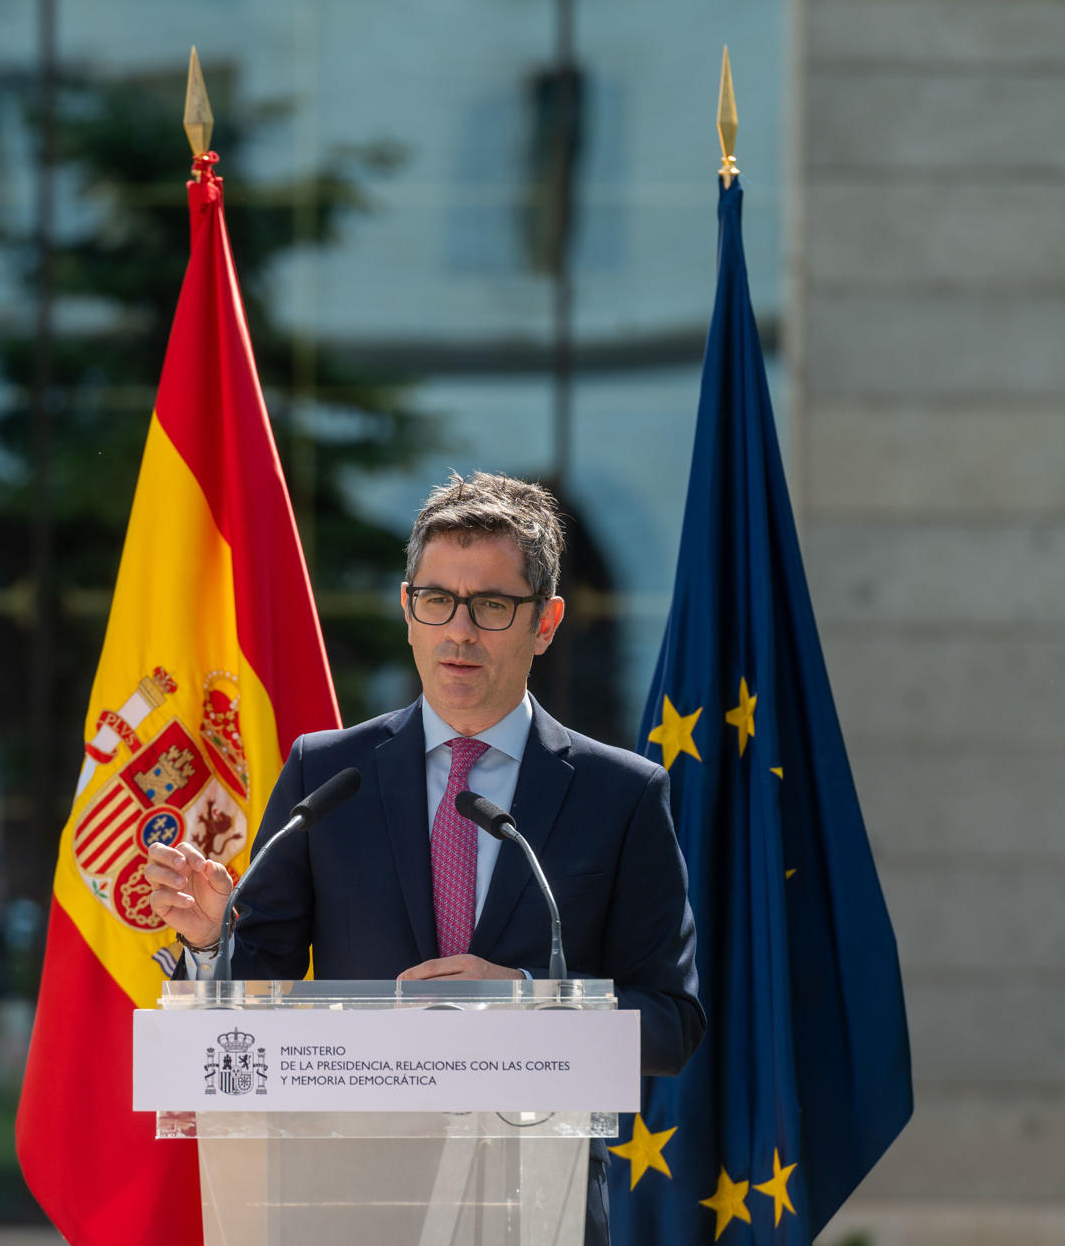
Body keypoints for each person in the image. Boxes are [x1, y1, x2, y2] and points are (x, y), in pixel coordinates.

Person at [146, 471, 704, 1245]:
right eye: (436, 599)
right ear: (408, 610)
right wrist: (213, 941)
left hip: (538, 1206)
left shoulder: (623, 794)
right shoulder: (326, 774)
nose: (460, 631)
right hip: (346, 1204)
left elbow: (672, 1023)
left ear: (545, 622)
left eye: (493, 606)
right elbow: (255, 982)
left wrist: (532, 999)